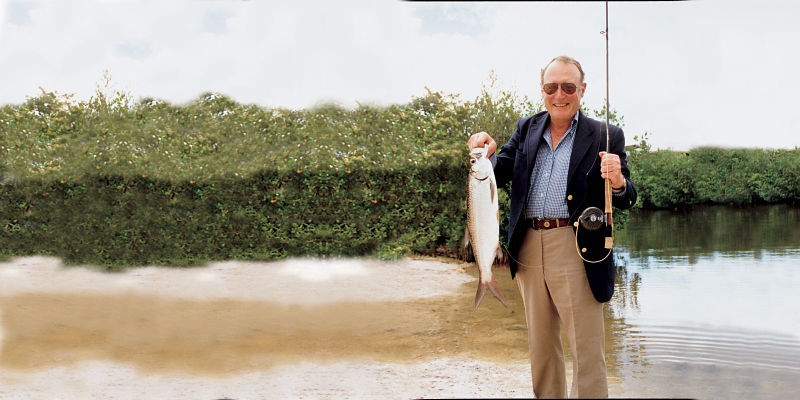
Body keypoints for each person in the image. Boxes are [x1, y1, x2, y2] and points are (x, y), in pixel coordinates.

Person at [467, 55, 637, 398]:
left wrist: (617, 180)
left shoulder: (607, 135)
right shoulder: (526, 128)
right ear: (542, 90)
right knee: (542, 350)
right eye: (551, 87)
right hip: (527, 246)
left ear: (582, 90)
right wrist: (484, 152)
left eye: (568, 87)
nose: (559, 94)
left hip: (577, 247)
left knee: (586, 350)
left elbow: (627, 196)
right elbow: (496, 174)